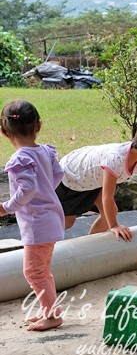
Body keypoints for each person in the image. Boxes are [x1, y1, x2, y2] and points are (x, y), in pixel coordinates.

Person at [0, 100, 64, 331]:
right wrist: (47, 187)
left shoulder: (19, 159)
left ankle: (52, 315)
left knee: (34, 272)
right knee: (41, 271)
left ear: (3, 131)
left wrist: (7, 207)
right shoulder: (45, 151)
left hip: (38, 224)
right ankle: (51, 309)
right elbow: (58, 173)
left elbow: (27, 189)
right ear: (38, 125)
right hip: (51, 219)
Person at [57, 121, 137, 240]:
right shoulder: (115, 160)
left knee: (110, 212)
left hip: (92, 179)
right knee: (68, 221)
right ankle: (40, 237)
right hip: (71, 177)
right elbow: (107, 197)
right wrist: (114, 226)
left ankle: (89, 247)